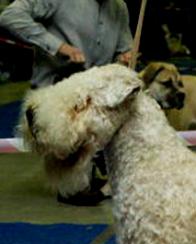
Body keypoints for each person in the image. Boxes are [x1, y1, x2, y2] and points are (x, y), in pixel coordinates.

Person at [0, 0, 133, 205]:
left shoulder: (119, 7)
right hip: (53, 92)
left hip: (94, 97)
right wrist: (58, 46)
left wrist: (124, 57)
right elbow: (10, 16)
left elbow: (124, 50)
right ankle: (77, 176)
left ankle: (91, 169)